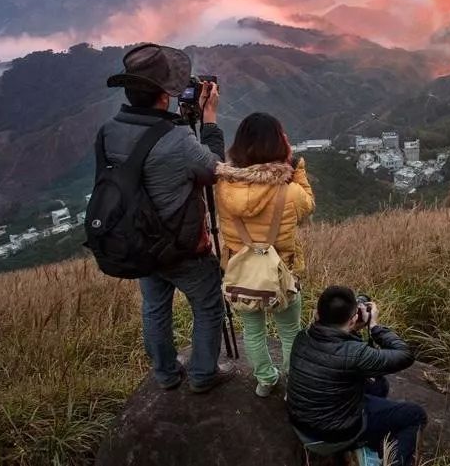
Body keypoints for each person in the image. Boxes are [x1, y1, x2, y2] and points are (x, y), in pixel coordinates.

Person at [101, 43, 233, 394]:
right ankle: (203, 375)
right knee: (208, 303)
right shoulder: (177, 139)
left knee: (155, 307)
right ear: (164, 95)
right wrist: (209, 119)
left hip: (138, 240)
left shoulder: (110, 130)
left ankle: (165, 374)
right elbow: (214, 170)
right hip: (179, 244)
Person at [215, 112, 315, 397]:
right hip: (282, 272)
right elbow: (308, 205)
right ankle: (293, 385)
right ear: (278, 144)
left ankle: (265, 380)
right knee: (289, 332)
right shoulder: (290, 191)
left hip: (240, 272)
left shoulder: (223, 187)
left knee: (253, 331)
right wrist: (298, 169)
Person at [288, 286, 427, 466]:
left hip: (301, 426)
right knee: (416, 415)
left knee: (379, 386)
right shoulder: (355, 354)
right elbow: (405, 355)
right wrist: (375, 327)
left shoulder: (302, 337)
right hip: (334, 436)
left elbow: (338, 356)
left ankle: (362, 443)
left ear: (317, 313)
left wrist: (351, 330)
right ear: (353, 319)